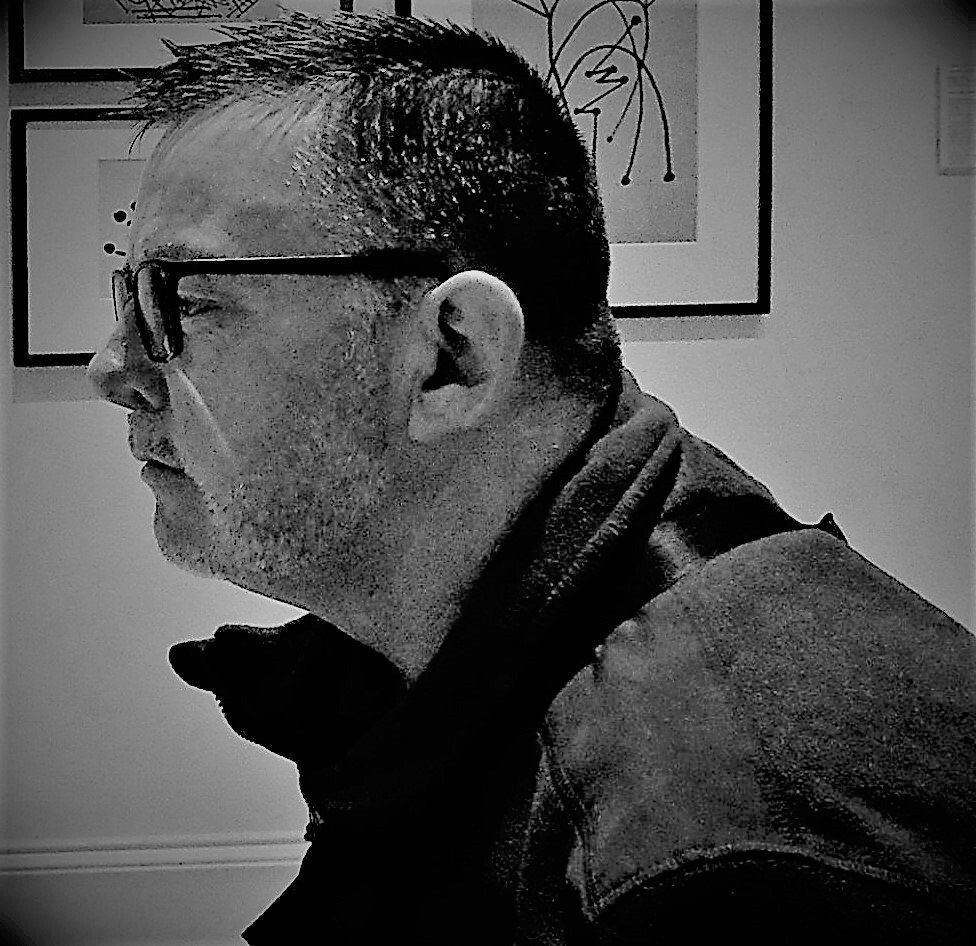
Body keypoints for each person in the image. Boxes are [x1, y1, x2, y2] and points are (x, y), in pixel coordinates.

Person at [87, 10, 976, 945]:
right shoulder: (477, 647)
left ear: (454, 357)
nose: (112, 368)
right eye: (127, 292)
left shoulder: (723, 867)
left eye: (184, 300)